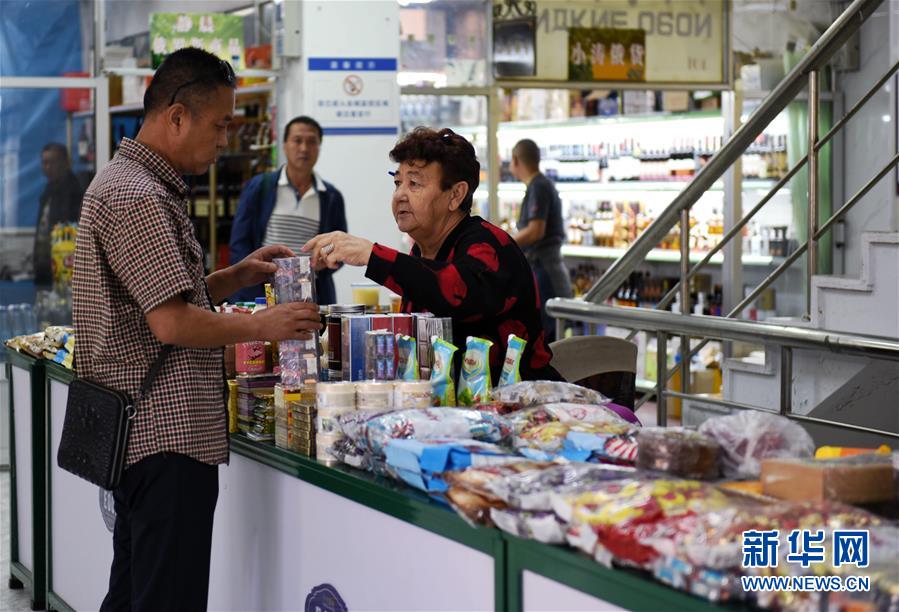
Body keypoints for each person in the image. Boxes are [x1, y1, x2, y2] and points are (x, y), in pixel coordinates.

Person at [72, 48, 321, 612]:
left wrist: (233, 277)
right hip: (164, 439)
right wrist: (266, 324)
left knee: (135, 592)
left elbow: (154, 301)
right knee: (167, 598)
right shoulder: (138, 196)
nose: (225, 138)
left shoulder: (134, 184)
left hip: (144, 436)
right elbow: (170, 322)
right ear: (177, 116)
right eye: (219, 124)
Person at [304, 127, 560, 383]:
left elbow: (456, 291)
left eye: (414, 183)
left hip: (522, 406)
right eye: (397, 182)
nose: (400, 195)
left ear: (455, 194)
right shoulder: (424, 248)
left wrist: (373, 255)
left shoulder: (488, 244)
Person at [230, 115, 347, 304]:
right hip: (264, 296)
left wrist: (327, 260)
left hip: (311, 298)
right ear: (284, 145)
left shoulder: (331, 196)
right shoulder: (261, 187)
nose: (304, 148)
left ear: (319, 147)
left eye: (311, 142)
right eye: (297, 140)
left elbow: (341, 248)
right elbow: (239, 244)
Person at [509, 138, 573, 343]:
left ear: (515, 161)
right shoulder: (540, 185)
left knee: (546, 336)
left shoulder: (539, 186)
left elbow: (535, 231)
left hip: (545, 271)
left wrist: (505, 244)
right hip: (546, 268)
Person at [34, 142, 83, 288]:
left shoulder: (73, 192)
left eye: (53, 162)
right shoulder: (49, 190)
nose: (47, 167)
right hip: (44, 267)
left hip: (63, 267)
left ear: (65, 163)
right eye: (45, 162)